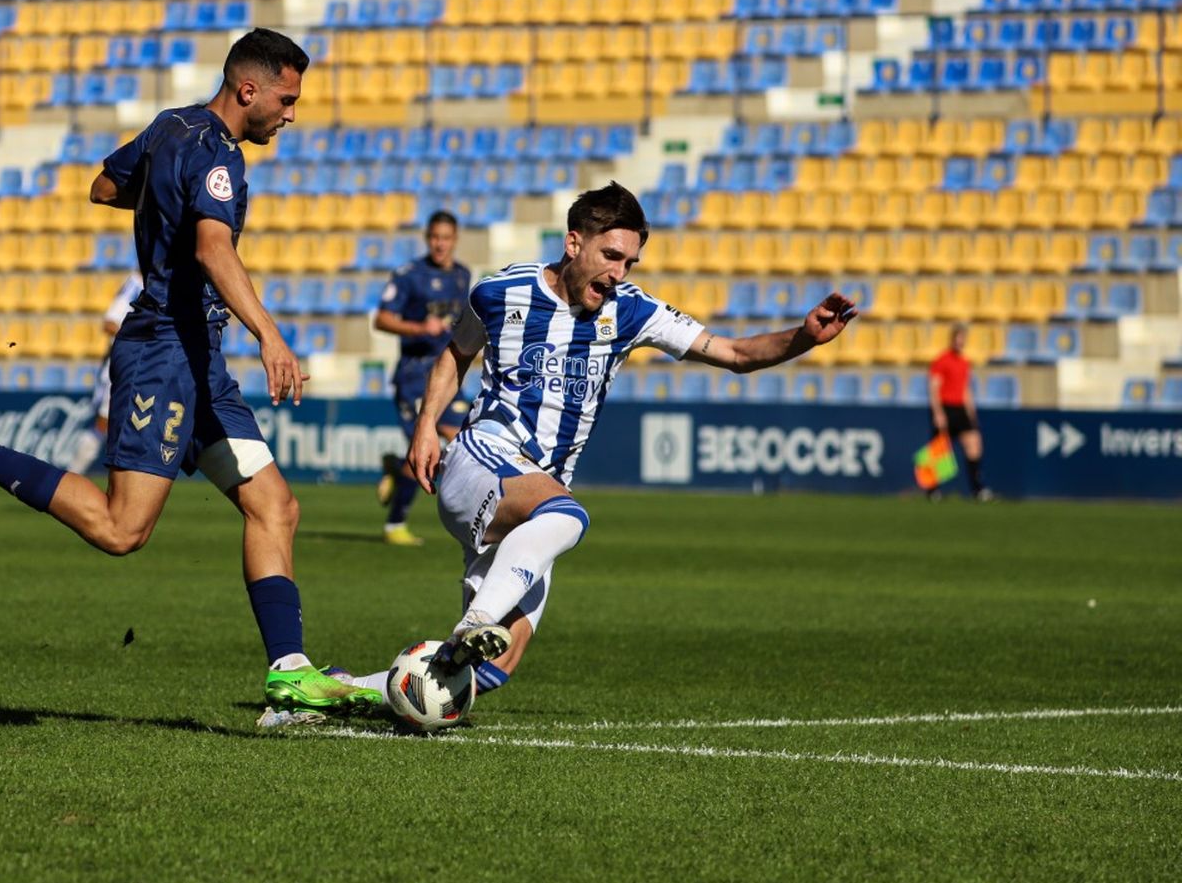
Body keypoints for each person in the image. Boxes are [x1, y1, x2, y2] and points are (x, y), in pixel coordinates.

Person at [0, 29, 378, 713]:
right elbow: (212, 250)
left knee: (275, 506)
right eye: (286, 100)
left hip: (198, 355)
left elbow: (104, 185)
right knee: (122, 531)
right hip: (164, 351)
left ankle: (289, 669)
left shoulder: (169, 126)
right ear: (248, 90)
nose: (291, 113)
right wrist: (272, 335)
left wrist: (162, 209)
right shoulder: (220, 157)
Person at [335, 182, 856, 696]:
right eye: (610, 255)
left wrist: (804, 337)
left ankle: (338, 691)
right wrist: (428, 426)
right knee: (567, 517)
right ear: (573, 242)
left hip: (534, 499)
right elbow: (455, 354)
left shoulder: (631, 310)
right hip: (484, 458)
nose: (618, 273)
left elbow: (735, 354)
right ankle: (474, 624)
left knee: (477, 677)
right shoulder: (499, 291)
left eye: (629, 262)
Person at [372, 210, 472, 547]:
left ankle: (396, 470)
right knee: (445, 434)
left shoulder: (462, 276)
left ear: (455, 240)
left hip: (447, 373)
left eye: (446, 238)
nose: (440, 244)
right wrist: (420, 328)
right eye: (434, 238)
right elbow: (382, 319)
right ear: (427, 238)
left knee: (458, 442)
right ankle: (394, 525)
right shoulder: (409, 275)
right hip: (415, 375)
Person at [71, 270, 143, 475]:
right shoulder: (136, 284)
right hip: (122, 366)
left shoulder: (167, 283)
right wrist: (142, 336)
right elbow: (110, 323)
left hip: (145, 365)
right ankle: (71, 476)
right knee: (104, 423)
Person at [927, 323, 993, 502]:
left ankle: (977, 489)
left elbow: (965, 390)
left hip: (960, 409)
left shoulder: (964, 363)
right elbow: (934, 388)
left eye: (963, 338)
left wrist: (972, 413)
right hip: (946, 407)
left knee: (974, 445)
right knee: (940, 450)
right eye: (958, 338)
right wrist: (938, 413)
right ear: (953, 339)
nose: (961, 341)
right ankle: (933, 491)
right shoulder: (942, 360)